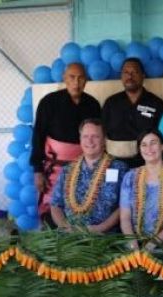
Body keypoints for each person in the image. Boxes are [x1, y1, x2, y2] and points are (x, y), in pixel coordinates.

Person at [30, 62, 101, 220]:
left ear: (87, 80)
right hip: (54, 168)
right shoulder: (49, 102)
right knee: (51, 211)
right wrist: (37, 170)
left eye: (81, 78)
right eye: (72, 77)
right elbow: (38, 135)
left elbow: (99, 138)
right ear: (64, 78)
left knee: (82, 209)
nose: (76, 82)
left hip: (84, 167)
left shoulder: (93, 104)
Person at [50, 118, 128, 232]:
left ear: (104, 140)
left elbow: (125, 206)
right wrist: (66, 227)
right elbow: (56, 204)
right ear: (80, 139)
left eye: (95, 136)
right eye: (85, 136)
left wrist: (101, 228)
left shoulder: (120, 168)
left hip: (106, 237)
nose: (89, 141)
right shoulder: (67, 170)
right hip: (70, 238)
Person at [120, 128, 163, 250]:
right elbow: (125, 217)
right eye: (144, 145)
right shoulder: (130, 177)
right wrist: (132, 244)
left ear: (162, 146)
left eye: (153, 143)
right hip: (135, 242)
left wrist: (151, 245)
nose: (149, 149)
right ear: (139, 149)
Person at [102, 58, 163, 168]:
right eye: (126, 72)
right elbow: (102, 132)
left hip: (146, 164)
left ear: (143, 75)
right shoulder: (111, 103)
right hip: (114, 164)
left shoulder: (156, 103)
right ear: (121, 76)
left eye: (134, 72)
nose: (130, 76)